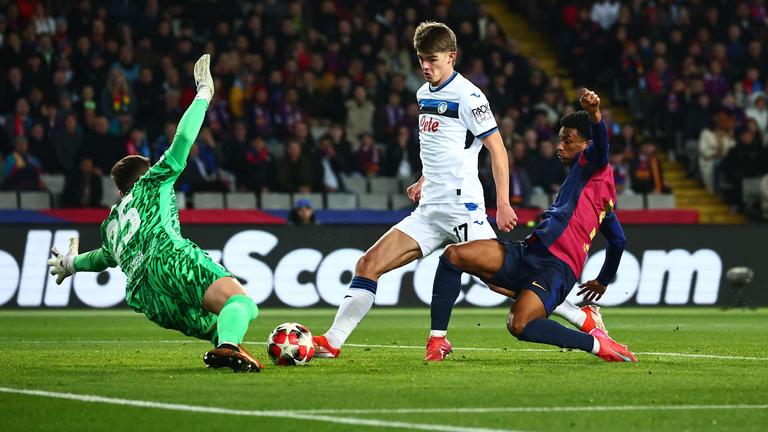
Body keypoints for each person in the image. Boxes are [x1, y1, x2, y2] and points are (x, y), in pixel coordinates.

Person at [312, 22, 601, 361]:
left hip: (463, 207)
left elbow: (497, 149)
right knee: (368, 263)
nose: (425, 67)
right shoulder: (423, 93)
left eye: (432, 59)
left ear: (451, 57)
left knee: (501, 282)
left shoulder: (469, 97)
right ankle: (332, 342)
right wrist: (424, 178)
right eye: (421, 59)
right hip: (430, 209)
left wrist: (503, 203)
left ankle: (581, 315)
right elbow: (440, 148)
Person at [47, 54, 264, 372]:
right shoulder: (153, 181)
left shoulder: (111, 225)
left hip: (143, 293)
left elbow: (103, 259)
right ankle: (230, 346)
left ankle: (227, 349)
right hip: (166, 255)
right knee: (240, 303)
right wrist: (204, 93)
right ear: (144, 174)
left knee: (214, 327)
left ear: (120, 192)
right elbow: (184, 139)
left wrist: (71, 263)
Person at [427, 89, 637, 362]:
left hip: (556, 268)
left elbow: (603, 146)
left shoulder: (594, 163)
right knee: (454, 255)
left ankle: (596, 344)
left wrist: (595, 114)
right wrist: (603, 280)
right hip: (529, 251)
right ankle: (437, 340)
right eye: (559, 139)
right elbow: (618, 241)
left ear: (587, 145)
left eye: (568, 140)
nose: (559, 146)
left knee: (519, 324)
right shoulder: (595, 192)